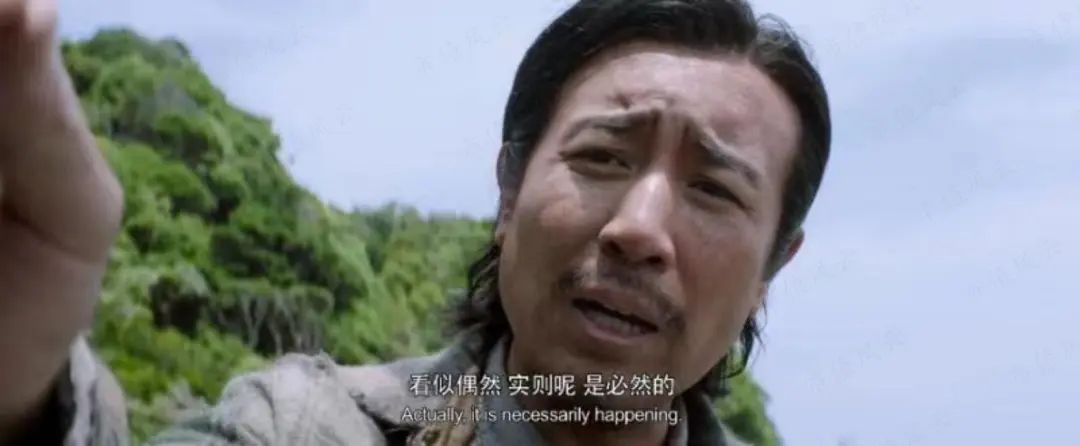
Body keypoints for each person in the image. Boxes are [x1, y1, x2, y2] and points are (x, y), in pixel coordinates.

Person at [0, 0, 831, 444]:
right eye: (604, 156)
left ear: (770, 270)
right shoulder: (306, 429)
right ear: (509, 193)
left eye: (713, 190)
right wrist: (20, 388)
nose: (639, 229)